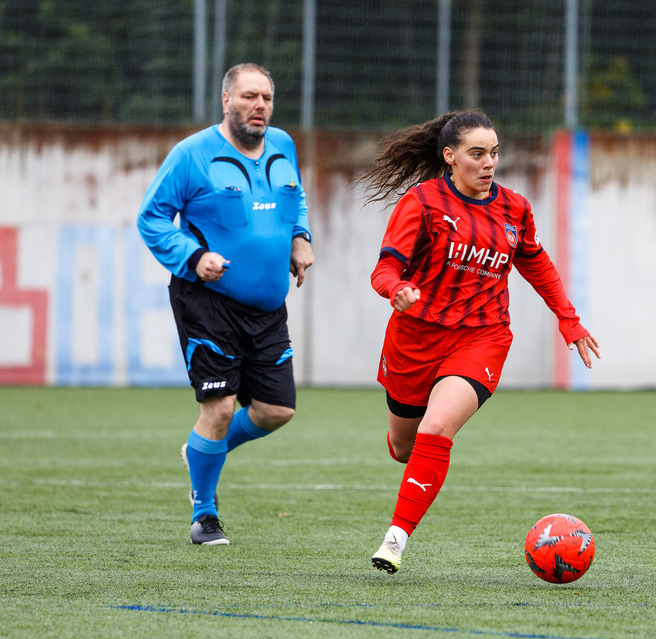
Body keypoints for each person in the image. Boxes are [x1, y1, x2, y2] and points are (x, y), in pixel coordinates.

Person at [357, 109, 600, 574]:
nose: (488, 163)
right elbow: (384, 268)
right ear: (449, 157)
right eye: (477, 154)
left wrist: (569, 320)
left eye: (493, 153)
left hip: (483, 337)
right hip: (414, 339)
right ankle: (411, 456)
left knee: (437, 429)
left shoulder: (514, 209)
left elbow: (537, 265)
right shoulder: (422, 202)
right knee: (405, 446)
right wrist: (397, 290)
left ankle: (394, 540)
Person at [137, 63, 315, 545]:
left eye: (266, 98)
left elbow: (294, 197)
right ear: (226, 101)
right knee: (219, 407)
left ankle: (200, 450)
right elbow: (152, 219)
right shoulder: (191, 155)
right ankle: (204, 514)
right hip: (207, 300)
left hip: (266, 305)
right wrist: (194, 258)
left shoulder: (283, 144)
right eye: (248, 97)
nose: (259, 106)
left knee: (277, 411)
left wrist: (300, 238)